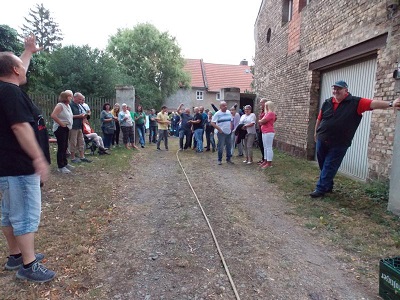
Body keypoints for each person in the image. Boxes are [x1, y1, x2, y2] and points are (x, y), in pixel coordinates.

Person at [0, 34, 56, 282]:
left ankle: (15, 255)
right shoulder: (10, 93)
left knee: (9, 212)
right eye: (21, 65)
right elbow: (20, 127)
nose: (25, 69)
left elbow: (14, 67)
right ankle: (28, 265)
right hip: (20, 166)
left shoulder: (5, 89)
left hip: (8, 166)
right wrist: (38, 158)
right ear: (14, 70)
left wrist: (28, 52)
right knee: (24, 214)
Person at [310, 80, 400, 198]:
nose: (336, 91)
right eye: (334, 89)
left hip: (340, 142)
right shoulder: (327, 103)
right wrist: (316, 132)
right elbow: (319, 119)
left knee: (329, 165)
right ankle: (327, 185)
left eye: (339, 89)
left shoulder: (356, 102)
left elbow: (373, 103)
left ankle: (320, 189)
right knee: (323, 164)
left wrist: (391, 104)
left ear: (346, 90)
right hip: (322, 139)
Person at [51, 91, 74, 173]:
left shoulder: (67, 106)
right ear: (66, 97)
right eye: (70, 96)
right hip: (60, 128)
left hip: (66, 128)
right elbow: (53, 115)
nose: (71, 98)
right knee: (61, 147)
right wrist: (61, 123)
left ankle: (65, 163)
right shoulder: (60, 105)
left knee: (65, 146)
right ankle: (60, 166)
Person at [69, 92, 92, 163]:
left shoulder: (79, 105)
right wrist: (79, 116)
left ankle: (82, 156)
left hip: (79, 126)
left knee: (81, 141)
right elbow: (69, 116)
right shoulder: (70, 105)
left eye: (81, 99)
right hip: (73, 127)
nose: (80, 101)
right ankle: (72, 157)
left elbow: (84, 114)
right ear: (74, 98)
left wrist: (85, 115)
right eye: (79, 99)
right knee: (73, 142)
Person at [259, 101, 277, 169]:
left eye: (266, 105)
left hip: (269, 132)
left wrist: (260, 121)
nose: (265, 106)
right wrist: (261, 121)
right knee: (265, 147)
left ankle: (269, 163)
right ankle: (265, 160)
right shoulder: (266, 113)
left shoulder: (271, 113)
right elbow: (262, 121)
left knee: (269, 147)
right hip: (264, 131)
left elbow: (262, 121)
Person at [257, 98, 267, 165]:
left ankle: (265, 159)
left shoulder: (268, 111)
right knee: (260, 143)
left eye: (261, 102)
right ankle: (263, 158)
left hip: (265, 130)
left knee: (264, 145)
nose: (260, 104)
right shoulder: (262, 110)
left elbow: (274, 117)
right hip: (260, 129)